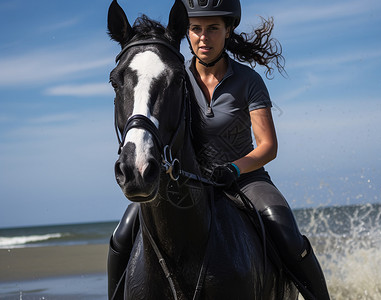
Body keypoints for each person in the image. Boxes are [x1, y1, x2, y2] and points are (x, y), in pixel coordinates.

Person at [108, 1, 330, 299]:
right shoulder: (175, 76)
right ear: (187, 33)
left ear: (228, 31)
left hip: (244, 179)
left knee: (285, 231)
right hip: (184, 179)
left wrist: (234, 168)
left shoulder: (248, 81)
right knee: (122, 236)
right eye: (196, 29)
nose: (203, 37)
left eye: (213, 28)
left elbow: (267, 146)